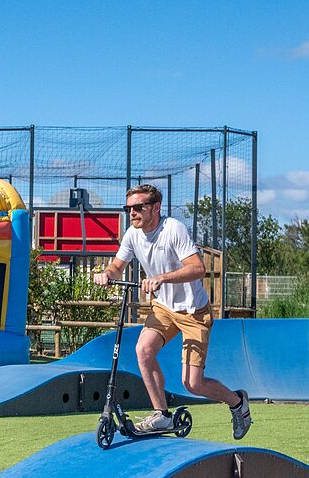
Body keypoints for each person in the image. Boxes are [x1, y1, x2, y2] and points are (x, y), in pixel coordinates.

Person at [94, 185, 252, 438]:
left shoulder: (173, 229)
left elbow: (197, 268)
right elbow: (117, 265)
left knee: (193, 383)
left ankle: (237, 402)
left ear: (155, 208)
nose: (132, 213)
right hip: (164, 308)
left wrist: (162, 278)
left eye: (138, 207)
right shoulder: (132, 234)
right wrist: (107, 275)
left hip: (194, 312)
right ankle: (162, 416)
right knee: (143, 349)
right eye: (129, 209)